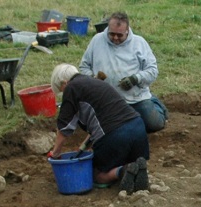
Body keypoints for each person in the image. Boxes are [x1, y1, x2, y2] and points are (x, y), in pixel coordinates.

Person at [50, 63, 151, 193]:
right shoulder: (95, 82)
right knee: (128, 159)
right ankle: (136, 166)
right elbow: (101, 119)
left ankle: (123, 171)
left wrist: (56, 153)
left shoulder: (72, 88)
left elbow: (64, 128)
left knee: (96, 174)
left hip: (115, 134)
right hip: (137, 126)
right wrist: (84, 145)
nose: (63, 93)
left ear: (64, 82)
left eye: (61, 89)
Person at [78, 12, 168, 133]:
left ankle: (154, 103)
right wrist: (93, 79)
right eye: (112, 34)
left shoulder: (139, 43)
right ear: (107, 29)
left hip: (134, 99)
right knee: (92, 127)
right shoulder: (97, 40)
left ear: (127, 31)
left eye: (119, 35)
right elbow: (84, 66)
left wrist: (135, 79)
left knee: (153, 125)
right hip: (105, 100)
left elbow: (152, 70)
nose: (115, 38)